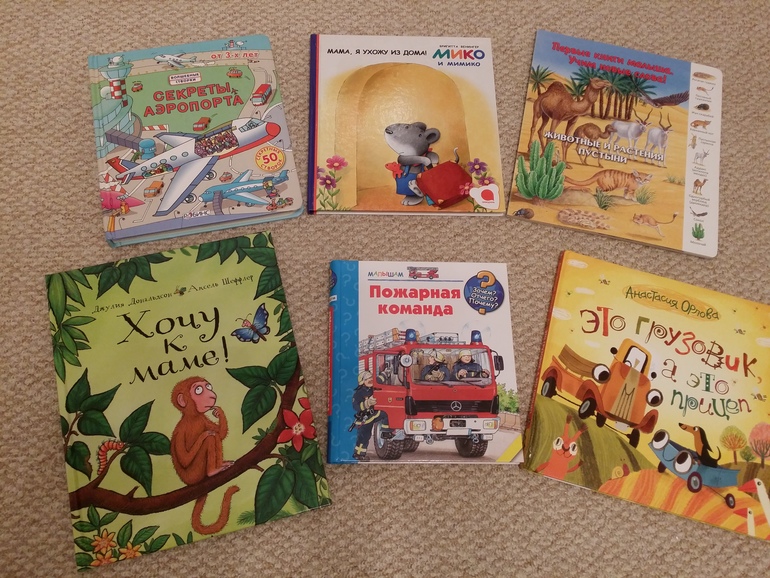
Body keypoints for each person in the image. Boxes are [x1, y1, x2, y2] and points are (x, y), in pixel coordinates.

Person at [351, 371, 389, 461]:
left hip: (373, 415)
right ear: (362, 382)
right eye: (367, 378)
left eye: (371, 377)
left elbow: (379, 379)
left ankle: (386, 432)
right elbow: (356, 406)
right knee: (364, 437)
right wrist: (367, 403)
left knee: (385, 413)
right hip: (364, 419)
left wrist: (386, 372)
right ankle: (359, 454)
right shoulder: (358, 394)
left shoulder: (373, 388)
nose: (370, 379)